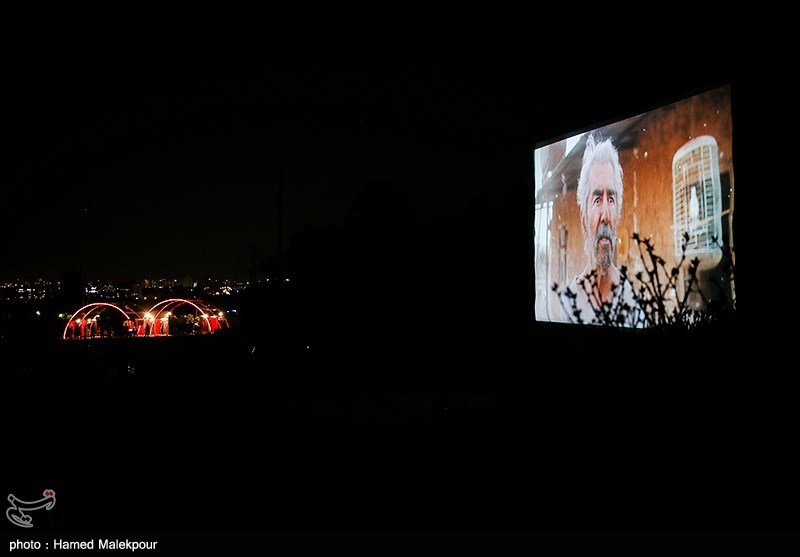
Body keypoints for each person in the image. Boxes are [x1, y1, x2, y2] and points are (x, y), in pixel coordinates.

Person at [560, 134, 644, 327]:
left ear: (618, 216)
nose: (606, 214)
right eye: (597, 200)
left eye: (611, 199)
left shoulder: (631, 301)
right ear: (583, 220)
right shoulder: (569, 304)